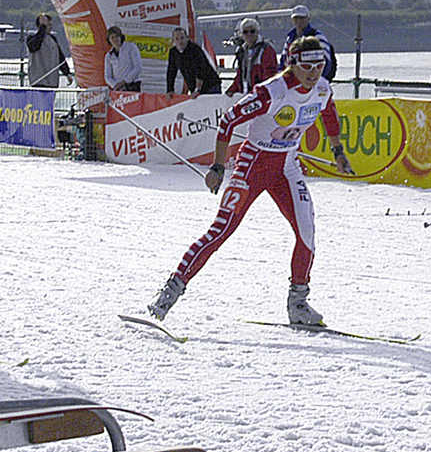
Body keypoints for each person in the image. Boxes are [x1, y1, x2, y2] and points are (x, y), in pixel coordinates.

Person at [143, 38, 351, 328]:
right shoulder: (272, 92)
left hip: (286, 166)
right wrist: (217, 166)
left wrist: (338, 151)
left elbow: (329, 115)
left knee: (308, 234)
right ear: (292, 63)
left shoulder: (322, 88)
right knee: (221, 231)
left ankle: (299, 305)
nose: (314, 72)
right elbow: (228, 121)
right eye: (307, 66)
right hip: (252, 165)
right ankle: (169, 293)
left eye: (320, 66)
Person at [284, 5, 339, 83]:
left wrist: (320, 81)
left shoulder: (318, 36)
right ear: (292, 20)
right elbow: (284, 60)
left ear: (308, 18)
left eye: (302, 18)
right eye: (296, 18)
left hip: (313, 81)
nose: (299, 21)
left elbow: (327, 62)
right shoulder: (290, 38)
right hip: (293, 83)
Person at [166, 23, 222, 96]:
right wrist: (170, 90)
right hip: (193, 85)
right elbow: (171, 72)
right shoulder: (173, 52)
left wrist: (197, 90)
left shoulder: (195, 49)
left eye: (182, 38)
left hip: (211, 85)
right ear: (173, 41)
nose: (180, 41)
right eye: (177, 39)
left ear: (187, 38)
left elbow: (201, 70)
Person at [230, 17, 279, 93]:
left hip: (262, 93)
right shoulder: (241, 51)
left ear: (257, 32)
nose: (249, 34)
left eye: (252, 31)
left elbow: (270, 74)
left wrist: (262, 91)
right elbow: (240, 75)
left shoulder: (266, 49)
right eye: (245, 32)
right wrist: (231, 91)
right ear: (241, 34)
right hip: (246, 92)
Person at [26, 12, 71, 88]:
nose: (50, 27)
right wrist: (42, 28)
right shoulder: (32, 38)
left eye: (50, 24)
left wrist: (67, 73)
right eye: (48, 25)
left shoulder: (53, 39)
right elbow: (34, 46)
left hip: (52, 82)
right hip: (38, 81)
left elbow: (60, 57)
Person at [104, 26, 145, 92]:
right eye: (112, 37)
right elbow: (107, 76)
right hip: (118, 89)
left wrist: (124, 82)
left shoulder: (131, 47)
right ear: (109, 40)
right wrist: (115, 85)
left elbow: (138, 67)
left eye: (117, 36)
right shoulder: (108, 56)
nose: (115, 39)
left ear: (121, 37)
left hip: (132, 86)